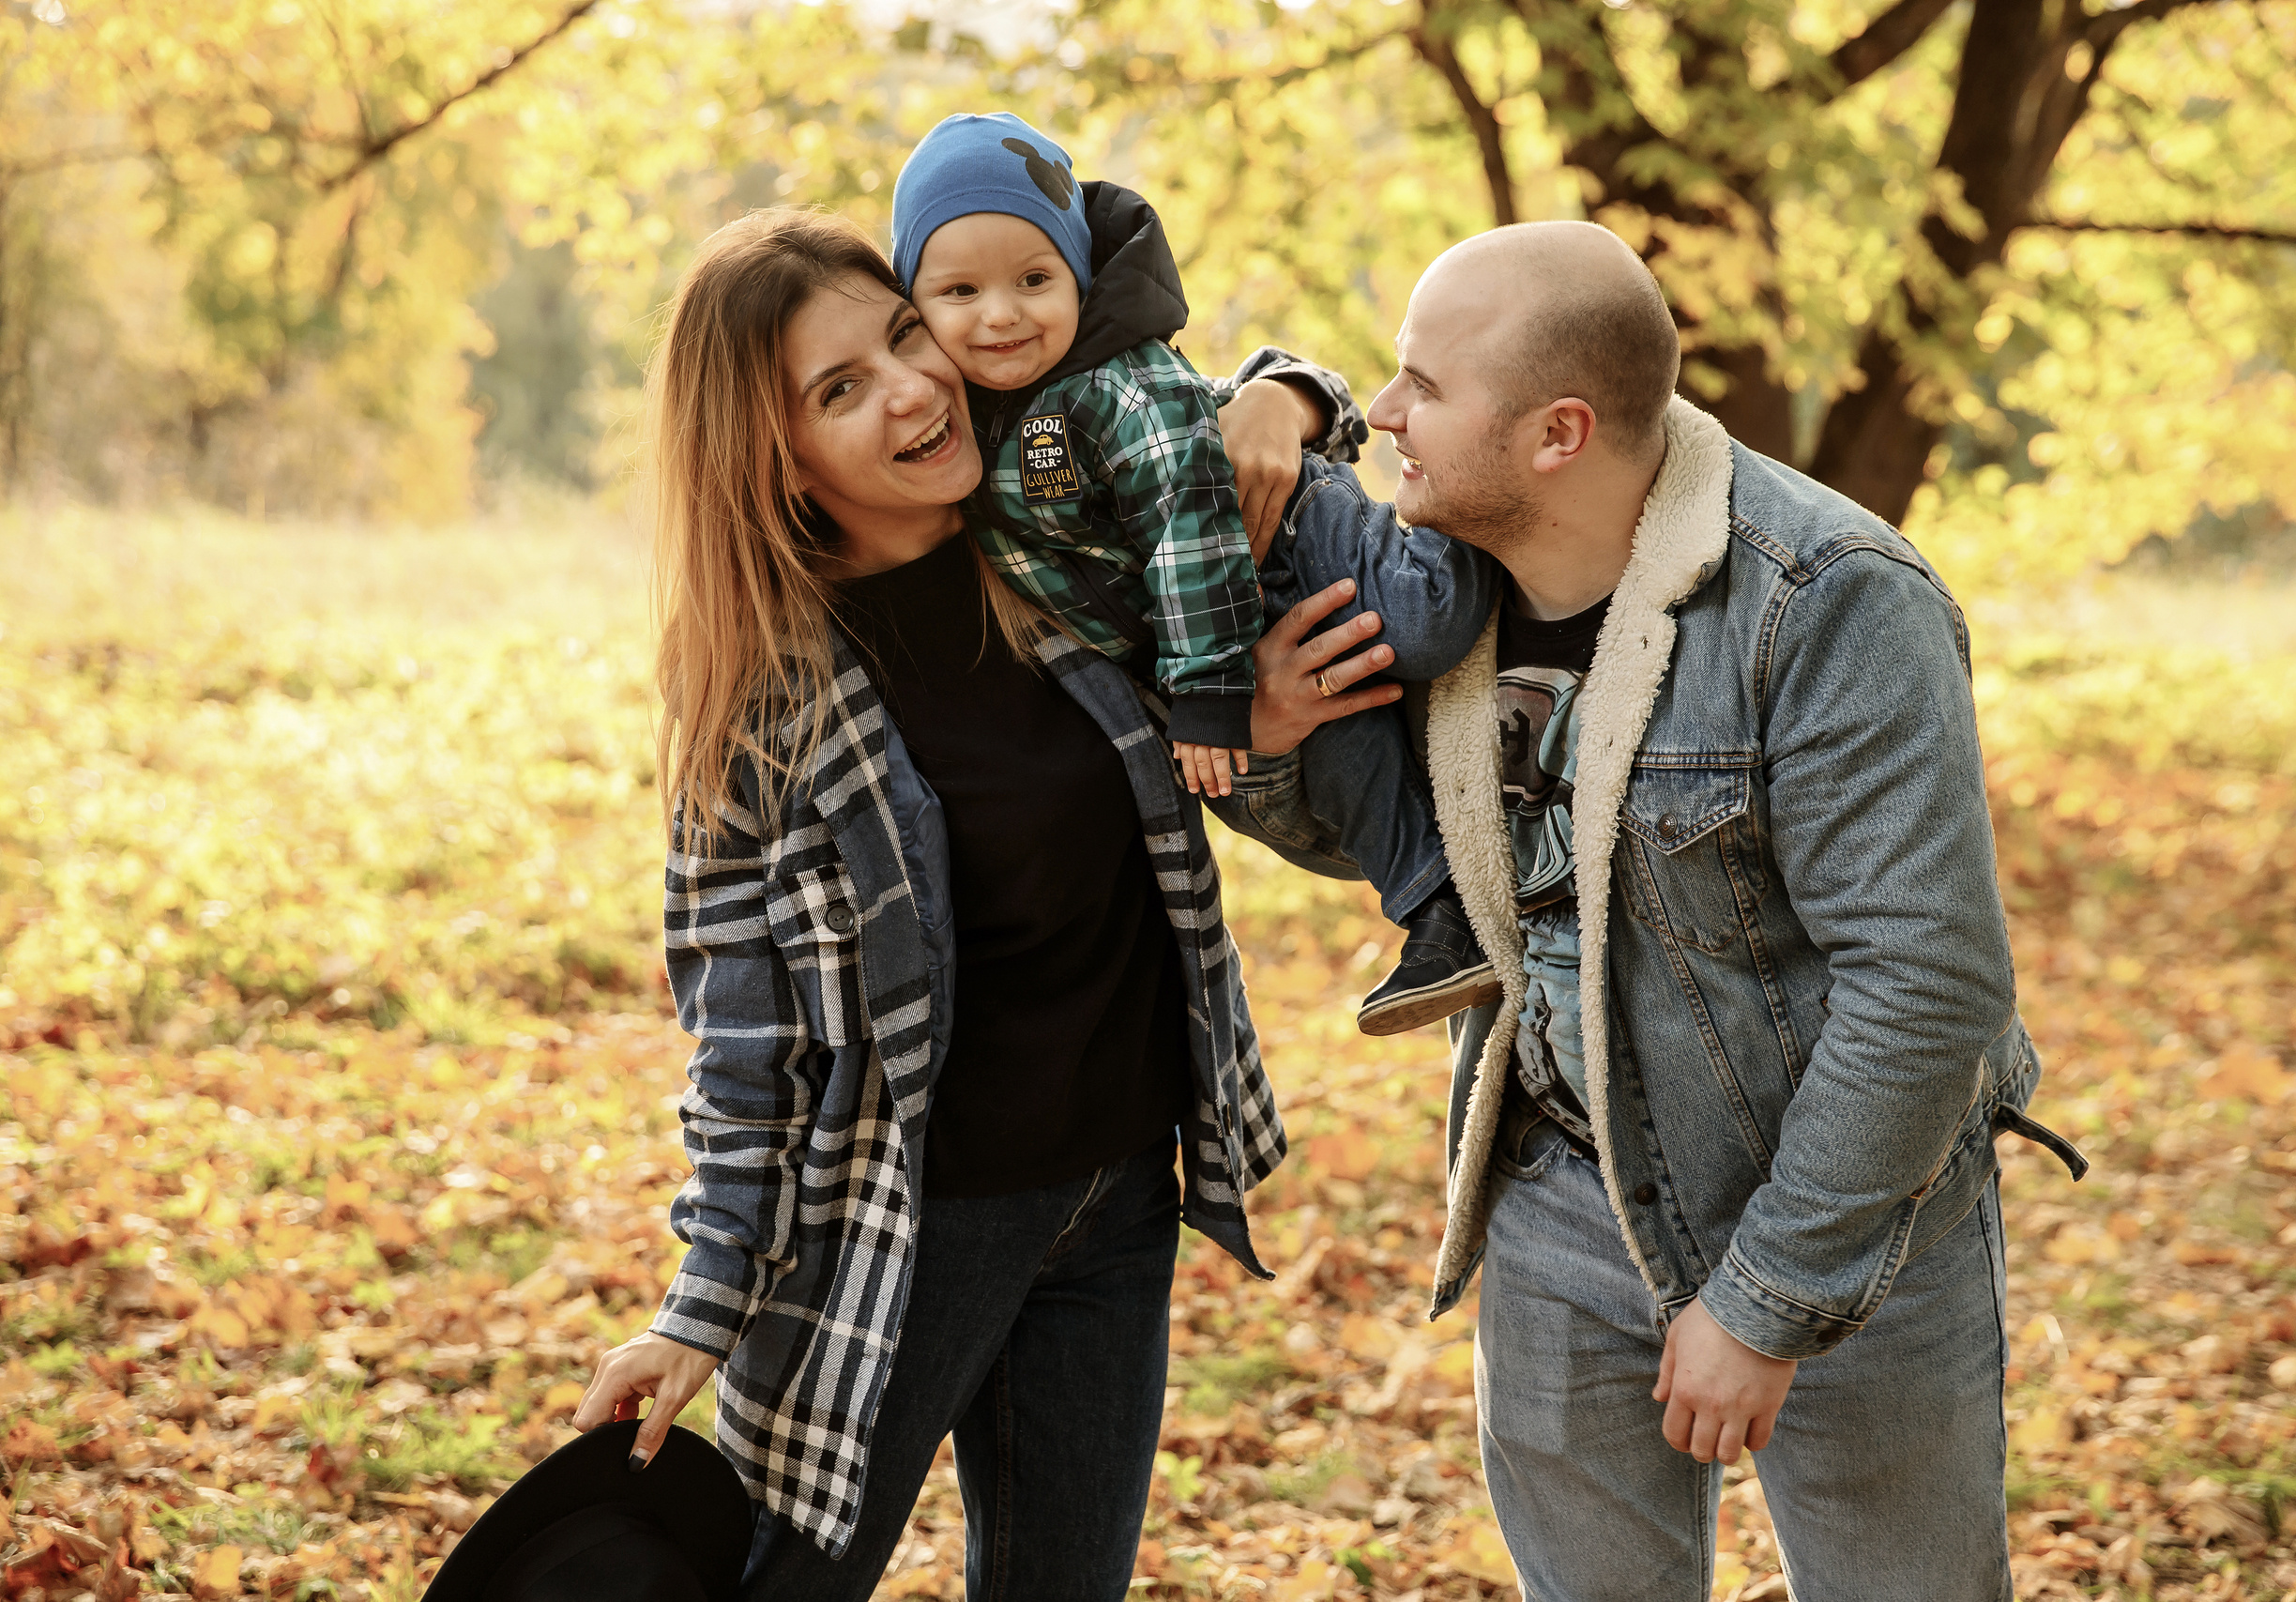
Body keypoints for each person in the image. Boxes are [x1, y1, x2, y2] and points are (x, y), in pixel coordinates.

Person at [1220, 222, 2087, 1600]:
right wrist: (1268, 732)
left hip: (1845, 1203)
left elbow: (1925, 979)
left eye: (1420, 387)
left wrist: (1769, 1298)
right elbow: (1411, 839)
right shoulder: (1450, 581)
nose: (1385, 417)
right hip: (1561, 1185)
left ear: (1560, 432)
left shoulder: (1828, 598)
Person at [564, 206, 1396, 1600]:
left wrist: (1287, 399)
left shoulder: (1058, 562)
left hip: (1120, 1190)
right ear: (775, 460)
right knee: (785, 1584)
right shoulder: (763, 697)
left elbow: (1180, 408)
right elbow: (742, 1037)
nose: (913, 386)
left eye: (902, 336)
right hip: (905, 1228)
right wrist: (701, 1303)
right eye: (841, 388)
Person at [887, 112, 1501, 1036]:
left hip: (1284, 531)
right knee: (1342, 753)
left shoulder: (1108, 385)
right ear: (915, 304)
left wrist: (1209, 694)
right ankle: (1439, 916)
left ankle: (1492, 489)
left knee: (1425, 620)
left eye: (1033, 280)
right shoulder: (968, 420)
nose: (1001, 312)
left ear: (1081, 275)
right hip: (1226, 623)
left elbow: (1186, 528)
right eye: (960, 290)